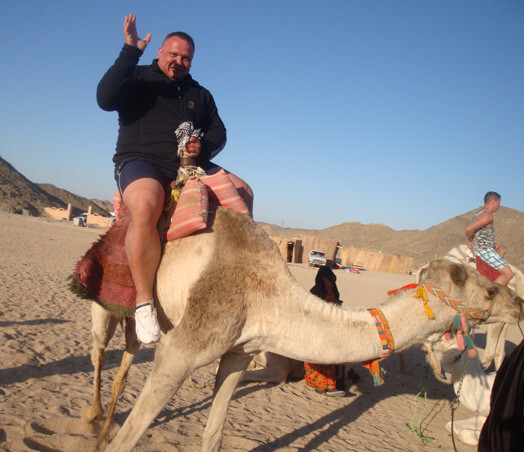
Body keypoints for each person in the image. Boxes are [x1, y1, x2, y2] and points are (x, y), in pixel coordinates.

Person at [97, 14, 253, 344]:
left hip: (187, 167)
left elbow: (219, 131)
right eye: (173, 54)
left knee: (245, 190)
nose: (179, 61)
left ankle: (236, 276)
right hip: (141, 163)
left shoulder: (200, 94)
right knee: (146, 206)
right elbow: (105, 98)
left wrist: (204, 145)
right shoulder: (138, 79)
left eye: (186, 57)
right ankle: (143, 304)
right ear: (161, 53)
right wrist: (129, 51)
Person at [304, 266, 347, 397]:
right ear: (322, 280)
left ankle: (330, 384)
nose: (330, 284)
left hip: (332, 333)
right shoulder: (314, 295)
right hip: (315, 334)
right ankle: (326, 386)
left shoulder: (334, 295)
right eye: (328, 280)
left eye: (333, 281)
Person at [465, 191, 513, 286]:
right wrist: (470, 240)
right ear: (493, 202)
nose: (499, 206)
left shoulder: (478, 213)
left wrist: (496, 246)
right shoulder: (488, 216)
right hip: (484, 250)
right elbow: (469, 229)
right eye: (498, 203)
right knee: (508, 274)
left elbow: (482, 235)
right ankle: (492, 294)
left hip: (483, 248)